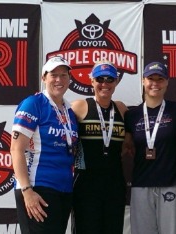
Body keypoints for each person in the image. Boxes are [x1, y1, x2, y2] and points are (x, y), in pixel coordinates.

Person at [10, 56, 78, 234]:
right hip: (37, 188)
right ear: (44, 78)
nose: (59, 80)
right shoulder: (33, 104)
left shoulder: (69, 111)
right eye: (54, 75)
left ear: (69, 79)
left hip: (63, 189)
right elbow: (16, 149)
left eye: (64, 75)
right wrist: (27, 190)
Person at [123, 62, 176, 234]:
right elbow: (126, 145)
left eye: (160, 79)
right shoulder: (132, 115)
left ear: (167, 82)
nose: (155, 83)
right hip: (141, 184)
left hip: (171, 184)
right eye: (151, 79)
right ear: (143, 81)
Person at [71, 60, 127, 234]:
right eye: (100, 79)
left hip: (114, 184)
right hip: (86, 185)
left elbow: (129, 144)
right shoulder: (79, 106)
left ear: (116, 82)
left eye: (110, 79)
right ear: (91, 81)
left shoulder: (121, 108)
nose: (105, 84)